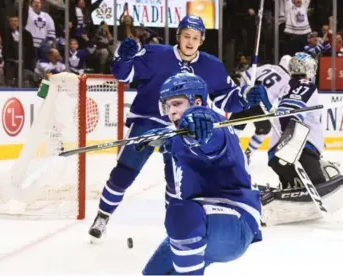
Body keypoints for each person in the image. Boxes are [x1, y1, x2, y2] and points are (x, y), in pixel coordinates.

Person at [89, 15, 270, 240]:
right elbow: (124, 75)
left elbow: (226, 99)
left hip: (183, 129)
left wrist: (246, 96)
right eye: (186, 36)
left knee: (177, 181)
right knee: (124, 173)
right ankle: (103, 216)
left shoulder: (211, 66)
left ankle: (174, 227)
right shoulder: (156, 54)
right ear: (178, 36)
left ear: (201, 40)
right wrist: (123, 58)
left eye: (195, 37)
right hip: (148, 120)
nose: (190, 42)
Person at [139, 73, 262, 275]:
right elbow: (183, 145)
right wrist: (165, 141)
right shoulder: (180, 137)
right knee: (153, 272)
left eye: (177, 104)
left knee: (181, 212)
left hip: (233, 220)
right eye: (168, 106)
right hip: (209, 222)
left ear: (197, 101)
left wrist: (196, 117)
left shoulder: (210, 124)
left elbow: (208, 140)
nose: (171, 112)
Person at [260, 52, 343, 226]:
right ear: (309, 69)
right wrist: (292, 141)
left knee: (292, 187)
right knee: (319, 181)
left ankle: (284, 196)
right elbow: (290, 111)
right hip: (300, 150)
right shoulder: (305, 84)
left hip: (276, 154)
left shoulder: (286, 86)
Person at [229, 55, 292, 163]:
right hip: (260, 106)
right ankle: (248, 153)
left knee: (234, 128)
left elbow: (245, 75)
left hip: (246, 99)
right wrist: (271, 108)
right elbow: (280, 100)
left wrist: (245, 91)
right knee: (264, 129)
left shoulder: (268, 66)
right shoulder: (288, 79)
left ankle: (228, 152)